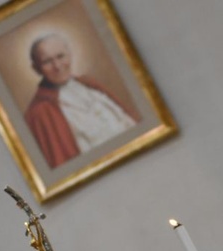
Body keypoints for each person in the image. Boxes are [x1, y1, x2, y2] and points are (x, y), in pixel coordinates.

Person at [24, 33, 140, 168]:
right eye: (47, 62)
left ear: (70, 54)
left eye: (61, 56)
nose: (57, 66)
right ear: (36, 68)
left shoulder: (89, 84)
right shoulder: (39, 112)